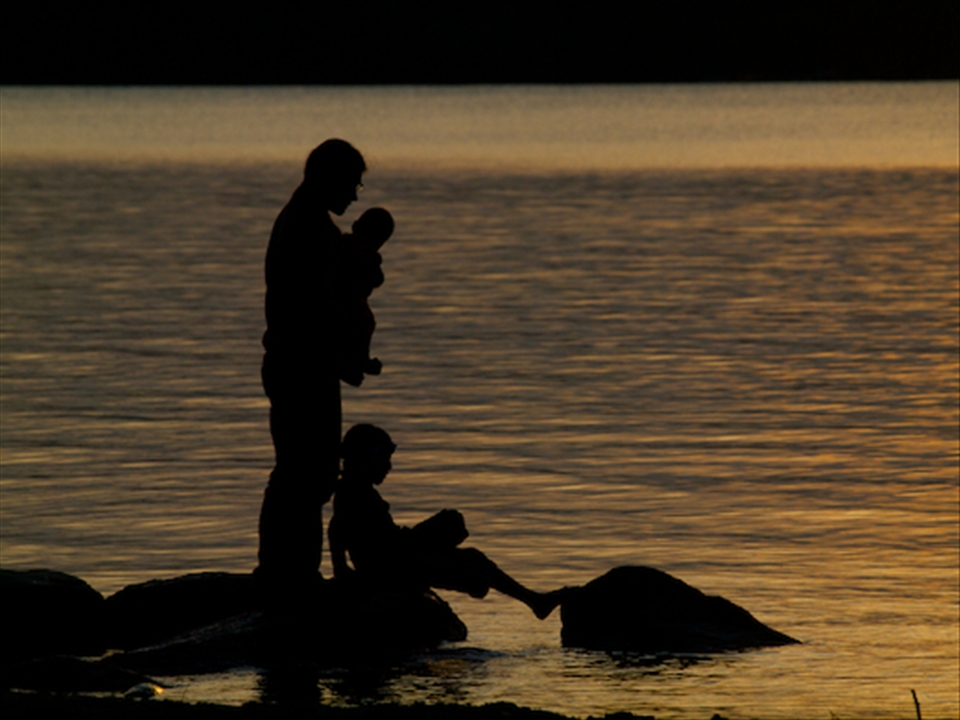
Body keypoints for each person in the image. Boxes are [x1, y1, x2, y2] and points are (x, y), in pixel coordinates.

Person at [257, 139, 367, 591]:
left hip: (299, 361)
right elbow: (315, 306)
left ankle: (287, 571)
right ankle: (289, 575)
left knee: (304, 472)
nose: (355, 195)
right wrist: (346, 349)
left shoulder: (303, 221)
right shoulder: (309, 228)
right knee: (306, 473)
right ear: (330, 176)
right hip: (303, 365)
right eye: (352, 183)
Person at [329, 424, 567, 619]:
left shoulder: (355, 492)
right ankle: (534, 601)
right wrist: (348, 575)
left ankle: (533, 600)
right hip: (394, 567)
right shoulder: (354, 496)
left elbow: (341, 534)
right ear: (367, 459)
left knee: (454, 525)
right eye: (383, 459)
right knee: (471, 559)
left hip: (397, 557)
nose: (389, 467)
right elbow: (344, 535)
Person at [333, 207, 394, 387]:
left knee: (363, 324)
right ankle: (355, 360)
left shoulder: (346, 245)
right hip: (349, 303)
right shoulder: (358, 250)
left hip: (352, 303)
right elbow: (377, 279)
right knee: (361, 324)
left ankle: (356, 359)